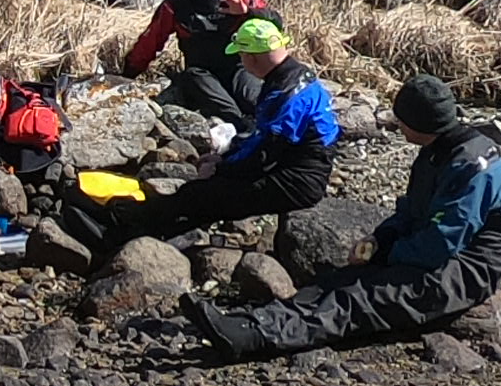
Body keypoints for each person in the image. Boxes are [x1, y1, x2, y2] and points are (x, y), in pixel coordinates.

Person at [188, 74, 501, 360]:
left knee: (359, 298)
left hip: (468, 268)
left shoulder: (472, 166)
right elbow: (412, 211)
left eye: (401, 120)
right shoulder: (438, 151)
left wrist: (389, 253)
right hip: (430, 249)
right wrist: (381, 239)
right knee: (336, 281)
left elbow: (442, 242)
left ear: (421, 123)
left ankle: (255, 339)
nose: (398, 125)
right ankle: (249, 321)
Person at [101, 16, 336, 247]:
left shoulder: (285, 95)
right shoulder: (296, 75)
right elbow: (262, 140)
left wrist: (220, 169)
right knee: (209, 190)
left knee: (202, 194)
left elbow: (263, 156)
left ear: (252, 57)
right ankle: (169, 228)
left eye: (241, 54)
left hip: (299, 181)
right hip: (297, 165)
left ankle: (134, 225)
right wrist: (225, 158)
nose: (240, 60)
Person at [120, 0, 277, 128]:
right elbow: (150, 42)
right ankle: (241, 129)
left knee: (258, 102)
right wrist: (127, 75)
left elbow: (275, 23)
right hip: (201, 74)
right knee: (226, 109)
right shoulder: (176, 5)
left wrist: (247, 12)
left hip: (238, 68)